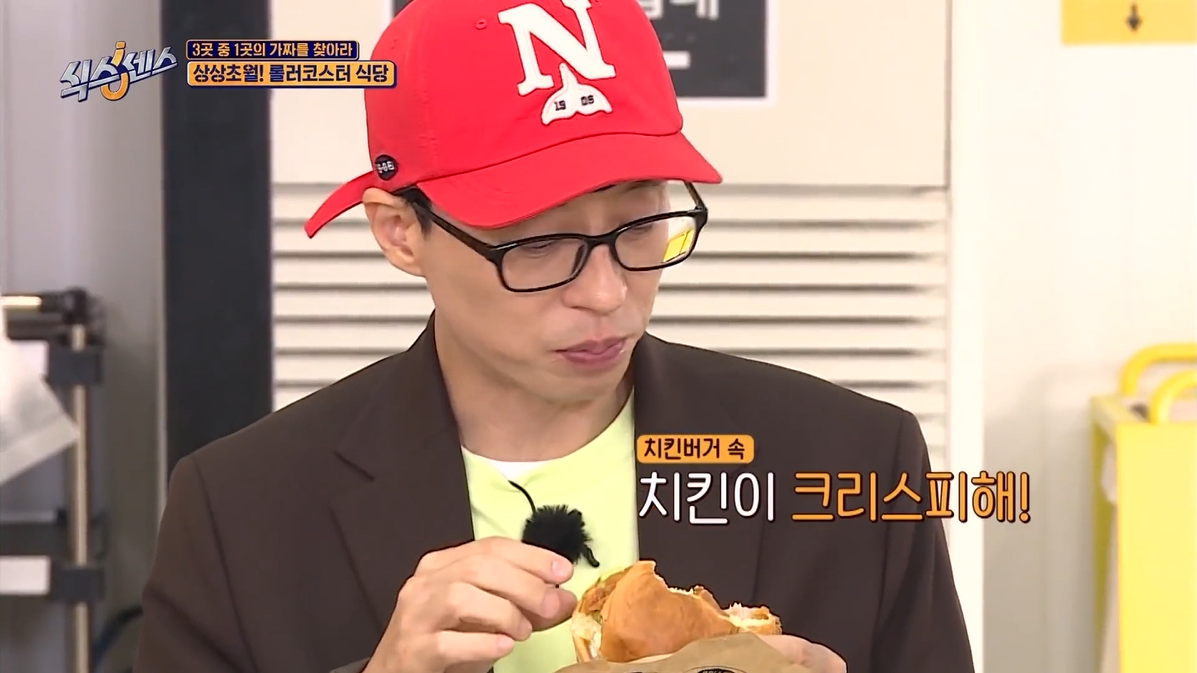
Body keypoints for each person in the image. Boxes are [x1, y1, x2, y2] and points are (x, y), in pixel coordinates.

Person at [134, 0, 975, 672]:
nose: (606, 293)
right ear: (399, 231)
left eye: (639, 222)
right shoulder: (241, 510)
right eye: (536, 244)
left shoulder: (853, 460)